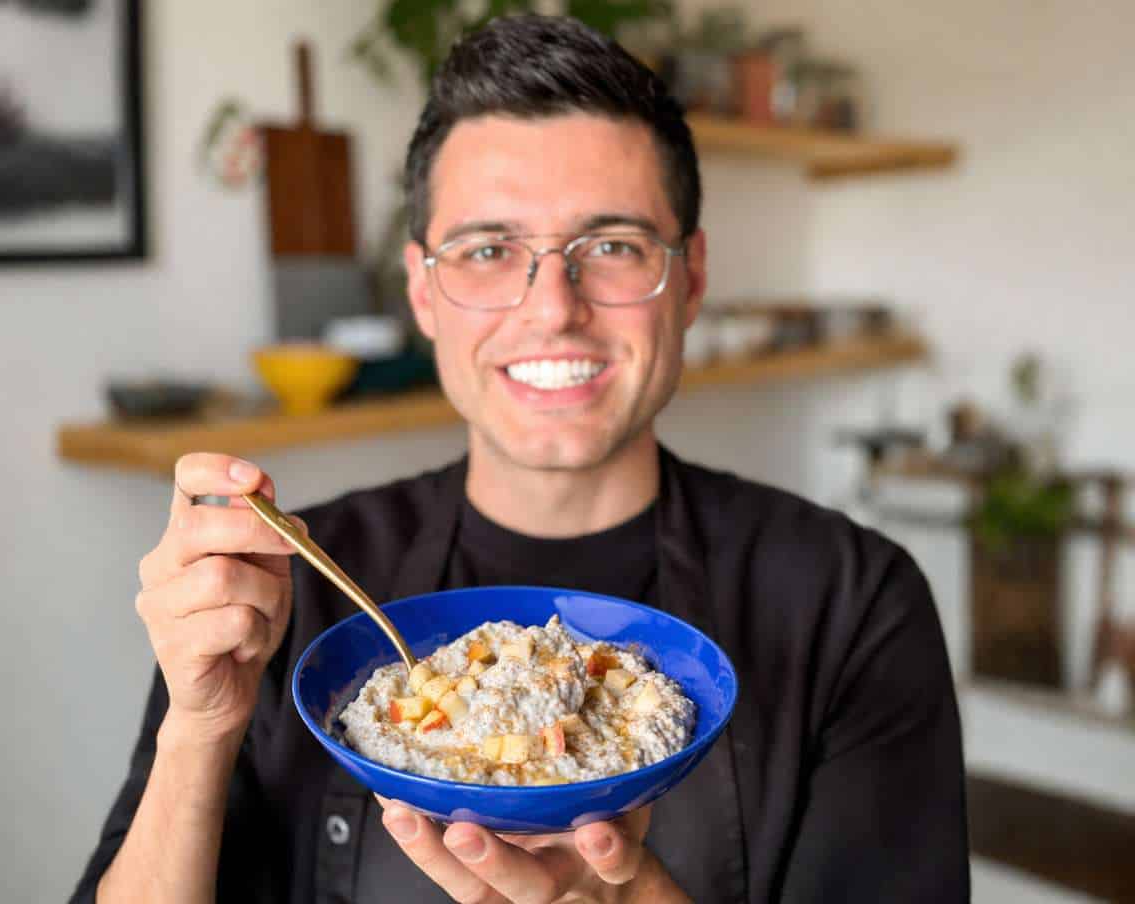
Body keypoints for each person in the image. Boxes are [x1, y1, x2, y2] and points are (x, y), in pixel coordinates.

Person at [74, 14, 969, 903]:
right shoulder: (290, 586)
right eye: (491, 250)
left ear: (690, 280)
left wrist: (628, 897)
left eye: (612, 247)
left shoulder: (852, 603)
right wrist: (201, 727)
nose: (552, 309)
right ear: (424, 289)